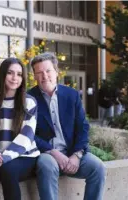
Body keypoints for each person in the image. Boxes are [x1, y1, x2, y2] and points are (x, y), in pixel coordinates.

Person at [28, 52, 106, 200]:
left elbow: (82, 127)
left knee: (98, 168)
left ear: (56, 72)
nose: (44, 76)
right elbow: (29, 134)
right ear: (34, 76)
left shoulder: (72, 95)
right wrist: (53, 152)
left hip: (72, 153)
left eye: (48, 71)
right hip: (47, 154)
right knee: (47, 165)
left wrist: (77, 155)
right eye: (39, 73)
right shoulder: (29, 99)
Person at [0, 57, 40, 200]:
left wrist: (6, 157)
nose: (15, 78)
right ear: (2, 75)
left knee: (8, 169)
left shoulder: (29, 102)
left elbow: (26, 136)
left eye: (19, 74)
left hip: (25, 156)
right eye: (10, 73)